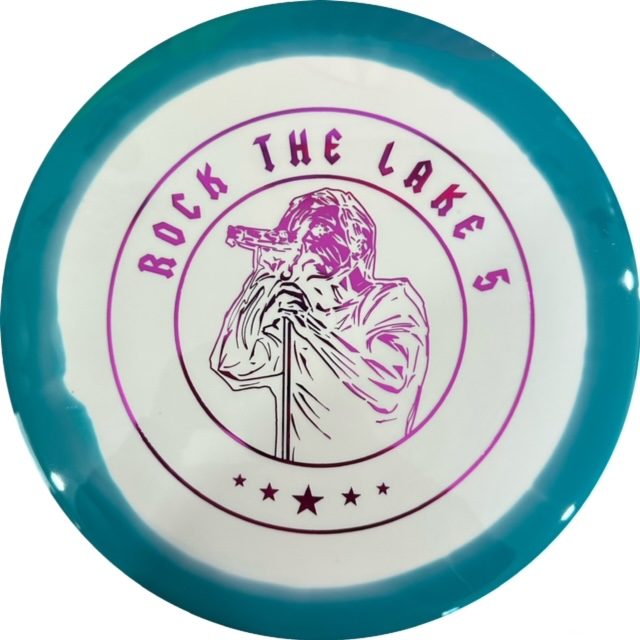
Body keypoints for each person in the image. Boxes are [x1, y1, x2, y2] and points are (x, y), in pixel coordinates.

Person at [210, 187, 429, 463]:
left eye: (316, 235)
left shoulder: (393, 302)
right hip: (295, 474)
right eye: (295, 240)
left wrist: (307, 322)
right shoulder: (296, 310)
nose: (302, 251)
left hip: (376, 471)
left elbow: (380, 386)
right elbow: (234, 364)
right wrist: (261, 283)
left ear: (357, 244)